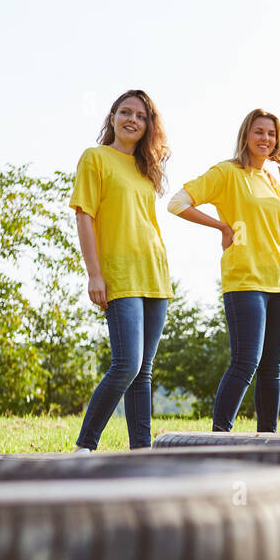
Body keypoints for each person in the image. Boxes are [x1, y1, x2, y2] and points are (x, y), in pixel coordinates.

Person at [167, 109, 280, 432]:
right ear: (246, 136)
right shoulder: (227, 173)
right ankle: (219, 436)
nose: (266, 139)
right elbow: (178, 203)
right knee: (246, 362)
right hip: (244, 281)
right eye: (259, 132)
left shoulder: (273, 179)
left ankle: (268, 439)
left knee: (272, 368)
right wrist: (220, 225)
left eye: (271, 134)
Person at [71, 89, 173, 451]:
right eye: (126, 112)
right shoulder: (95, 158)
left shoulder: (147, 168)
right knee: (127, 364)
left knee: (144, 371)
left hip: (155, 273)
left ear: (148, 126)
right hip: (118, 273)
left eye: (141, 116)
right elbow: (85, 215)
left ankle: (141, 451)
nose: (133, 120)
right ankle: (86, 445)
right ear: (112, 117)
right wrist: (94, 274)